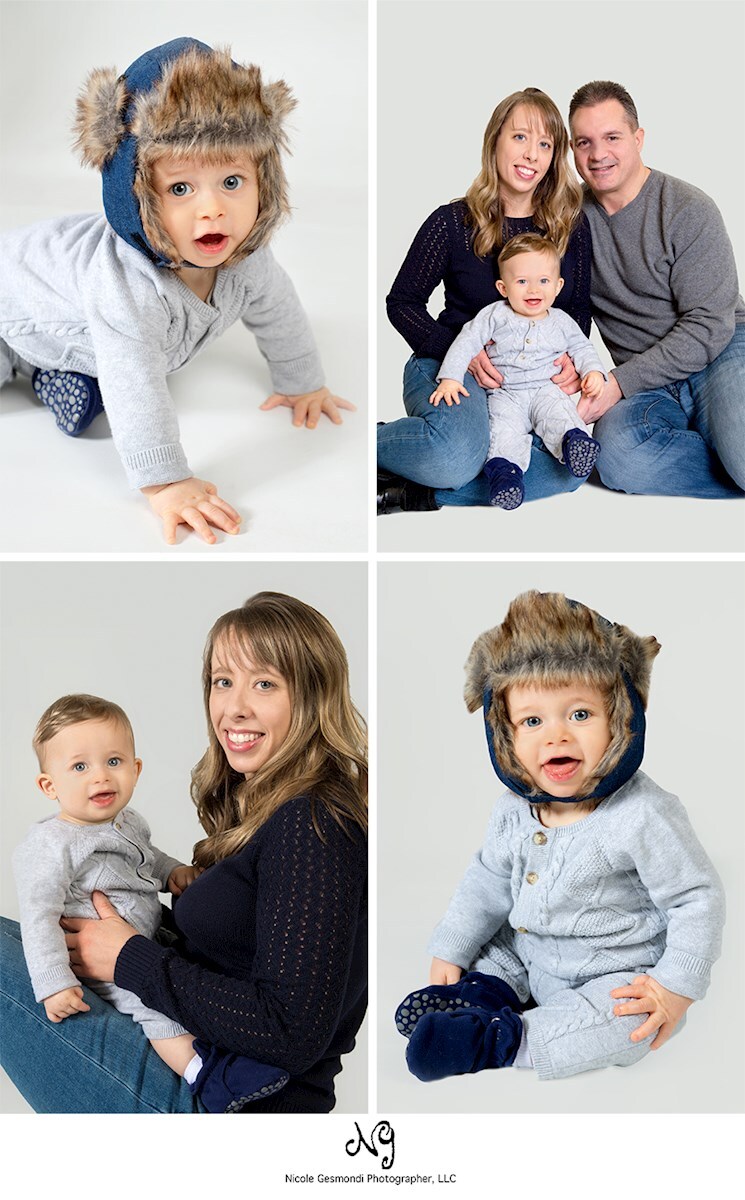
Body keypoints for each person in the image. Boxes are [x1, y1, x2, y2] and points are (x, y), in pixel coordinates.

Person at [0, 592, 368, 1113]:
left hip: (231, 1105)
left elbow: (291, 1030)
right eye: (223, 681)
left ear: (311, 697)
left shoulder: (314, 824)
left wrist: (126, 956)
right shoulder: (270, 810)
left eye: (264, 683)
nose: (233, 707)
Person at [0, 38, 354, 545]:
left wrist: (302, 380)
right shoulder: (129, 288)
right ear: (137, 196)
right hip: (13, 305)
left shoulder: (247, 263)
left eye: (232, 181)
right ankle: (28, 362)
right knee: (93, 367)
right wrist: (166, 481)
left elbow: (278, 308)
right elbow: (136, 382)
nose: (211, 209)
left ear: (266, 181)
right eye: (181, 189)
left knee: (109, 359)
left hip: (73, 327)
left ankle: (50, 373)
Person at [394, 591, 724, 1082]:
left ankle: (501, 1040)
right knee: (499, 947)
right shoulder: (514, 809)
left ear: (621, 719)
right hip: (531, 952)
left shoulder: (645, 814)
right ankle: (480, 996)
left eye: (580, 715)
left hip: (614, 972)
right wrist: (453, 947)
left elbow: (697, 899)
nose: (557, 737)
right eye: (532, 721)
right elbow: (485, 881)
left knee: (631, 1025)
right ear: (504, 735)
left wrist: (674, 986)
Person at [13, 693, 290, 1113]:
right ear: (49, 785)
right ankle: (208, 1077)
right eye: (80, 767)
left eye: (114, 761)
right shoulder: (51, 843)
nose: (100, 777)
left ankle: (222, 1054)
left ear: (136, 769)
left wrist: (173, 871)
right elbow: (38, 916)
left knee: (185, 987)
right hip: (100, 964)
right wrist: (55, 982)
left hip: (142, 941)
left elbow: (147, 857)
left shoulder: (126, 822)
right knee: (157, 1012)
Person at [377, 87, 592, 514]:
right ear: (494, 140)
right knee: (456, 456)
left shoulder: (570, 226)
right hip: (449, 366)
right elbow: (402, 302)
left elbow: (576, 311)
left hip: (527, 380)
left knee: (573, 470)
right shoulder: (452, 223)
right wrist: (463, 351)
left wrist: (569, 362)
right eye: (520, 138)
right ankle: (378, 444)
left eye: (545, 144)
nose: (532, 154)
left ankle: (414, 488)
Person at [568, 80, 745, 499]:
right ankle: (728, 450)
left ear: (638, 138)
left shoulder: (686, 207)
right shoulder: (568, 221)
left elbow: (707, 327)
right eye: (583, 142)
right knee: (616, 458)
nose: (598, 155)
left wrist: (616, 383)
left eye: (612, 137)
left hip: (720, 352)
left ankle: (733, 446)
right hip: (646, 382)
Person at [430, 234, 605, 508]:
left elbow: (582, 348)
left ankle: (574, 444)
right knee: (502, 431)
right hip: (505, 393)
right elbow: (467, 340)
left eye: (543, 281)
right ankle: (506, 475)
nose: (533, 289)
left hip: (546, 389)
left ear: (558, 286)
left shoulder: (562, 321)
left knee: (559, 414)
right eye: (522, 281)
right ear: (503, 287)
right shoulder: (495, 315)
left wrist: (593, 372)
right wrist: (451, 377)